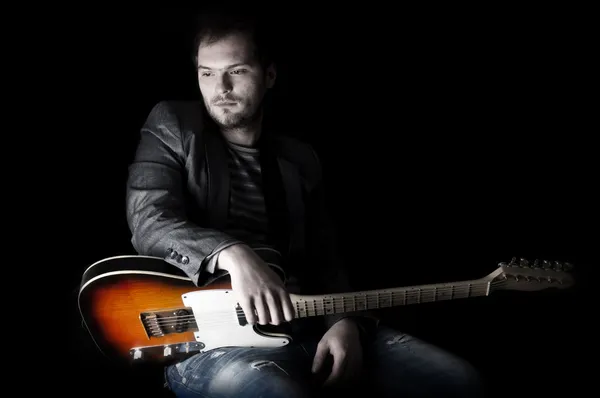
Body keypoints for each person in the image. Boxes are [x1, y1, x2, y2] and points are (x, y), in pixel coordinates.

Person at [125, 9, 485, 398]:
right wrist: (232, 253)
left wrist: (343, 322)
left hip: (309, 325)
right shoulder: (173, 124)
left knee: (459, 380)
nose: (220, 87)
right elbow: (149, 220)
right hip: (213, 343)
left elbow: (325, 260)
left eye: (237, 70)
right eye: (207, 73)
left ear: (270, 76)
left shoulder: (300, 159)